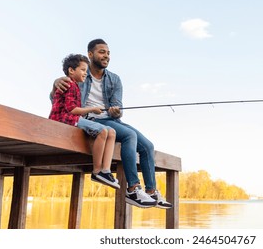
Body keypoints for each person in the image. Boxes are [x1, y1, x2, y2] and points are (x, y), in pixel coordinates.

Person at [50, 39, 172, 209]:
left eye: (108, 53)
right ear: (90, 54)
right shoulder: (80, 75)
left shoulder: (114, 79)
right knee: (130, 135)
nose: (106, 55)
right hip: (88, 119)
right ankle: (133, 189)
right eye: (102, 52)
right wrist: (56, 83)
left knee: (148, 146)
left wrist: (116, 111)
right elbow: (58, 100)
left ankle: (151, 192)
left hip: (110, 120)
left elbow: (118, 107)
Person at [49, 53, 120, 190]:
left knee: (112, 132)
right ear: (71, 70)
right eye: (82, 70)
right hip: (64, 119)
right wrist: (92, 109)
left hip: (73, 118)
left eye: (86, 71)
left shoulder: (75, 86)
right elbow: (71, 110)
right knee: (102, 131)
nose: (85, 73)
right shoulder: (69, 84)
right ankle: (97, 171)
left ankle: (106, 171)